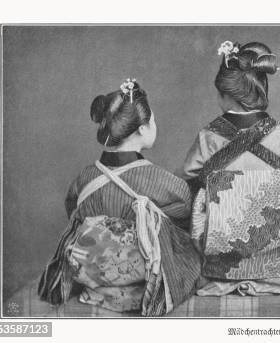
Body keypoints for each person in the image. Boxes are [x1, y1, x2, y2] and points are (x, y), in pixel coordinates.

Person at [38, 79, 202, 316]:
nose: (154, 125)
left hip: (92, 277)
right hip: (146, 282)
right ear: (143, 129)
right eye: (152, 120)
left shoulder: (83, 179)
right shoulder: (166, 184)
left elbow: (74, 215)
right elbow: (182, 227)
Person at [179, 41, 280, 280]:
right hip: (272, 256)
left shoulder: (208, 138)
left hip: (217, 258)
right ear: (262, 87)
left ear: (224, 94)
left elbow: (188, 181)